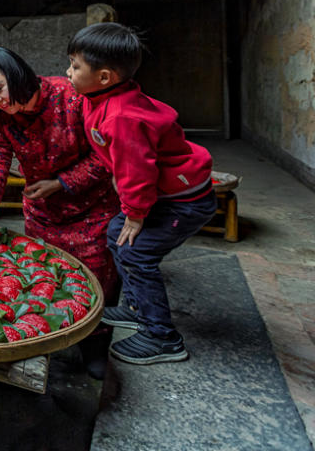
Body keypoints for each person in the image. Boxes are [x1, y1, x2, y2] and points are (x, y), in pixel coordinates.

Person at [0, 47, 120, 377]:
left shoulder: (72, 96)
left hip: (92, 213)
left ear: (17, 75)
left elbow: (107, 156)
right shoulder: (2, 120)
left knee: (97, 283)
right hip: (43, 216)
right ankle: (51, 339)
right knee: (46, 280)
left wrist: (60, 183)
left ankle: (96, 345)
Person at [66, 22, 216, 365]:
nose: (68, 73)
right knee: (117, 235)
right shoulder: (102, 96)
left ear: (104, 77)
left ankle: (163, 337)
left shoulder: (121, 116)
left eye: (75, 67)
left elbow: (138, 170)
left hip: (183, 201)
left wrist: (135, 213)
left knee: (136, 253)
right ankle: (136, 307)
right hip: (164, 195)